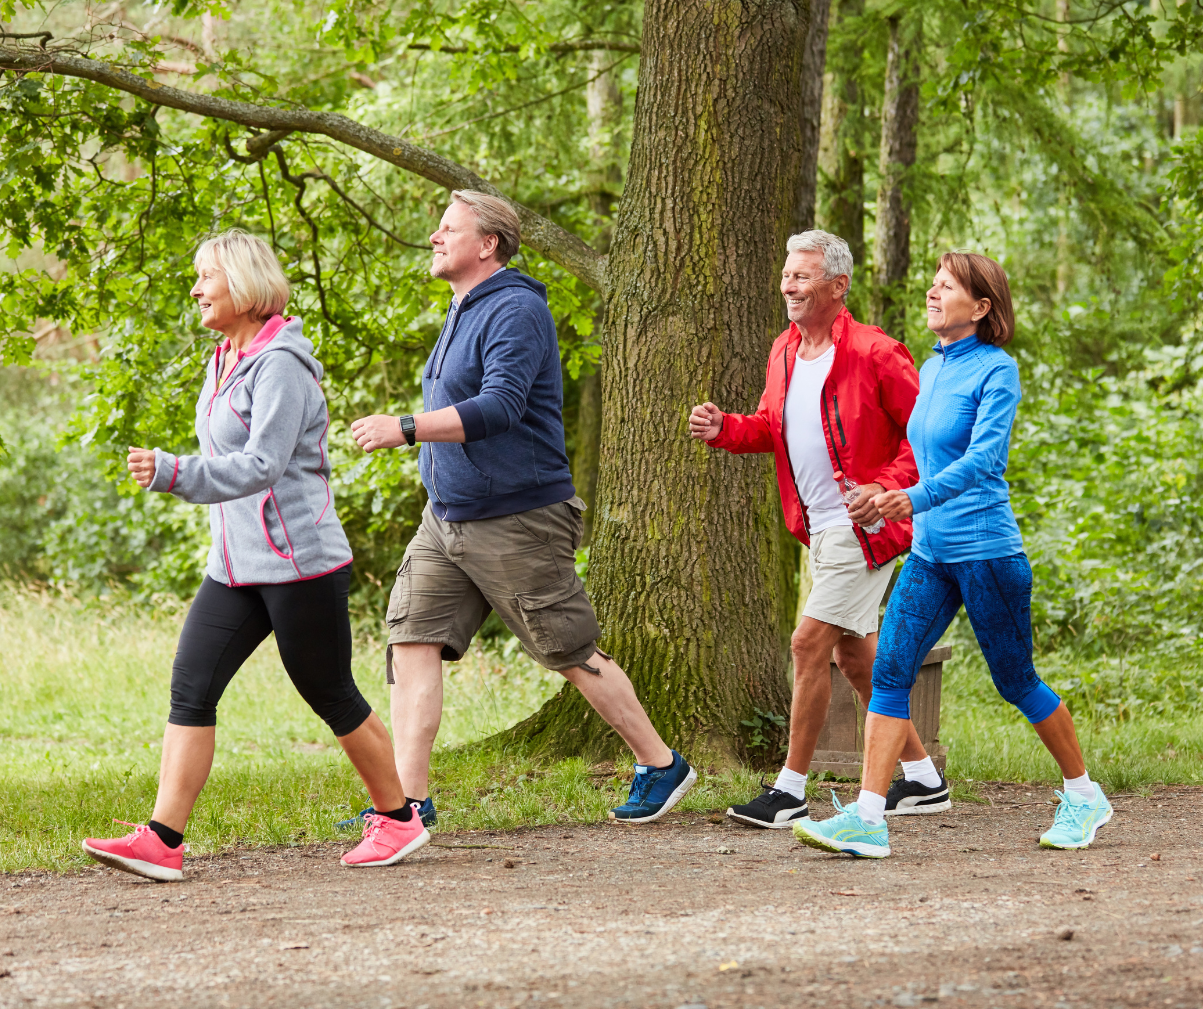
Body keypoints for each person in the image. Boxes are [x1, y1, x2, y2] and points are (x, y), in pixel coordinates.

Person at [83, 230, 425, 881]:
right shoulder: (225, 358)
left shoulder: (281, 366)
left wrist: (174, 472)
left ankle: (399, 819)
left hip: (300, 563)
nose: (195, 289)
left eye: (205, 276)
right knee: (192, 684)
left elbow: (262, 464)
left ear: (241, 284)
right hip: (235, 566)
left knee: (329, 691)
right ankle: (162, 838)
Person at [349, 190, 696, 825]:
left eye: (448, 228)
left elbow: (500, 406)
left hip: (517, 518)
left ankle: (661, 763)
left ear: (488, 245)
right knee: (410, 641)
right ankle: (406, 805)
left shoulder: (514, 309)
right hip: (447, 516)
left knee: (568, 650)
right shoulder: (462, 308)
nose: (434, 236)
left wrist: (406, 427)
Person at [795, 252, 1113, 859]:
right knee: (890, 672)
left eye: (947, 286)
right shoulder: (934, 367)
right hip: (930, 552)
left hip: (986, 551)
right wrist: (882, 492)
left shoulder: (997, 372)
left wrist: (909, 499)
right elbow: (919, 453)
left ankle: (1083, 793)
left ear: (982, 307)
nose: (933, 293)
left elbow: (984, 461)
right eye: (934, 284)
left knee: (1015, 680)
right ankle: (868, 818)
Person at [689, 230, 949, 830]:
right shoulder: (783, 350)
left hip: (866, 530)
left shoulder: (876, 353)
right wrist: (725, 427)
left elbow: (927, 439)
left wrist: (887, 491)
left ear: (838, 286)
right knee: (857, 659)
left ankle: (790, 789)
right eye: (786, 275)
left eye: (802, 277)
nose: (788, 285)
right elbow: (769, 427)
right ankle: (924, 780)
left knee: (808, 644)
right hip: (818, 530)